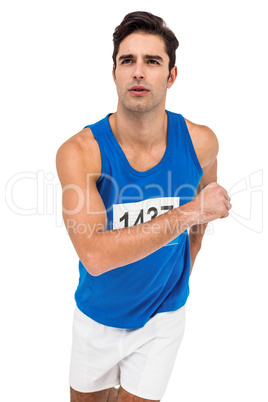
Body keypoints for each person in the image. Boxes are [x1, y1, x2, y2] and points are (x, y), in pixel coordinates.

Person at [56, 11, 231, 402]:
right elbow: (95, 255)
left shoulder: (201, 142)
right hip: (96, 316)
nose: (138, 72)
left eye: (152, 62)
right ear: (114, 72)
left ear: (171, 75)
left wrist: (177, 274)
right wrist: (189, 212)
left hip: (162, 317)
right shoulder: (81, 152)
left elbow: (203, 222)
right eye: (127, 61)